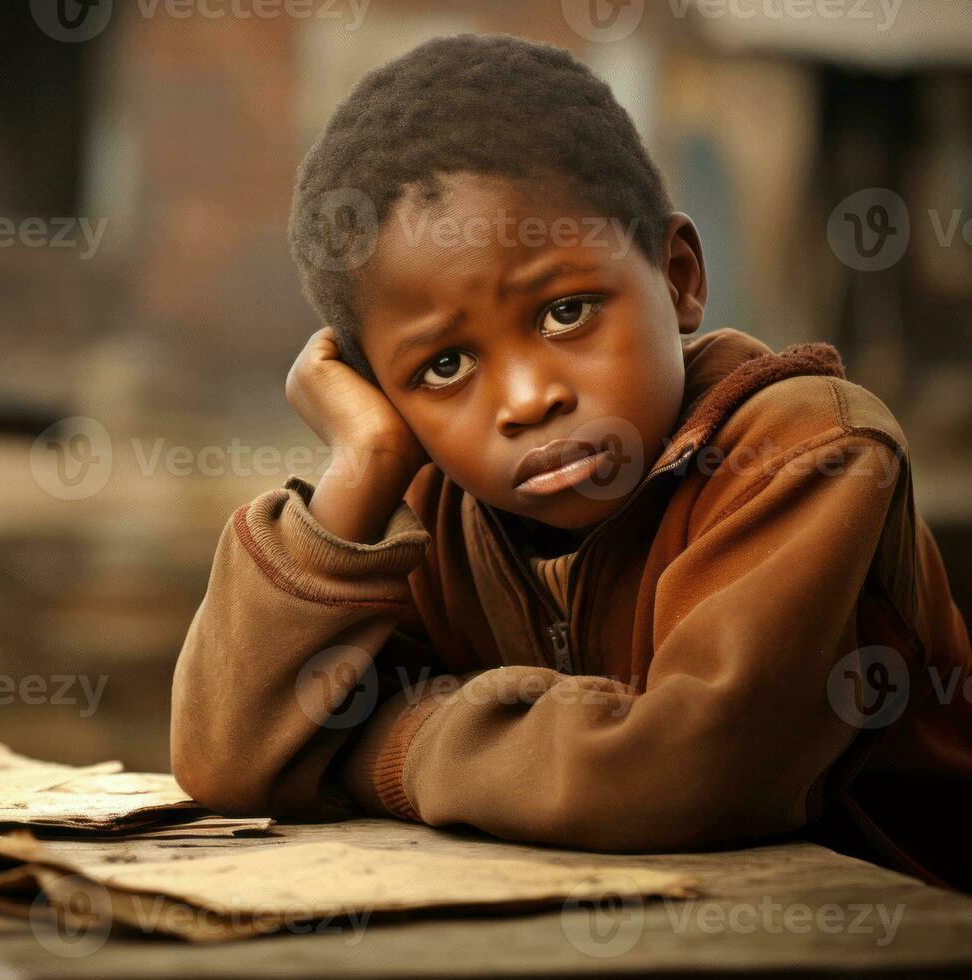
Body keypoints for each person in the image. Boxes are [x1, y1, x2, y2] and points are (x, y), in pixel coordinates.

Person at [170, 34, 972, 890]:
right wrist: (363, 463)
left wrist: (382, 744)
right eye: (443, 367)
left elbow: (679, 779)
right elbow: (229, 755)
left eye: (564, 313)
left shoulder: (803, 452)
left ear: (676, 277)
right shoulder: (433, 510)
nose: (526, 400)